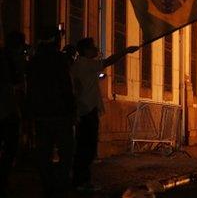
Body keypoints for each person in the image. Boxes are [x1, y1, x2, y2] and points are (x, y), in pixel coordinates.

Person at [71, 37, 138, 191]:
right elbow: (108, 61)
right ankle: (82, 181)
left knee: (83, 146)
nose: (96, 49)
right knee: (87, 148)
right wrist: (126, 51)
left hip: (83, 109)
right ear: (86, 50)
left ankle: (79, 180)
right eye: (93, 47)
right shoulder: (86, 64)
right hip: (88, 110)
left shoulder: (77, 65)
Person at [27, 26, 76, 196]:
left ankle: (47, 184)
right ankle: (60, 183)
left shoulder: (34, 61)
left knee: (44, 151)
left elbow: (30, 88)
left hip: (41, 114)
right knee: (66, 151)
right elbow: (66, 87)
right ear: (56, 40)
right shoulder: (59, 60)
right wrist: (72, 110)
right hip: (60, 112)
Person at [0, 33, 23, 197]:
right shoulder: (10, 59)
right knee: (10, 146)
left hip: (7, 107)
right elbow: (16, 80)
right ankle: (2, 180)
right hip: (6, 109)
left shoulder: (6, 56)